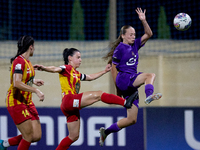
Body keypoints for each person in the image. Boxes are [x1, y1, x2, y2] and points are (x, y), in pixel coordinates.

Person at [33, 47, 137, 150]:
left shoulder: (76, 74)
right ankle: (125, 102)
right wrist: (44, 68)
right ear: (70, 58)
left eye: (80, 57)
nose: (80, 60)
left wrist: (104, 71)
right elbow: (55, 69)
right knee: (99, 94)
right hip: (69, 100)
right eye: (78, 57)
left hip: (70, 107)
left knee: (74, 136)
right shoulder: (66, 68)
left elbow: (90, 77)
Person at [99, 8, 162, 146]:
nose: (134, 37)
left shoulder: (135, 45)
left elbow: (149, 33)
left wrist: (143, 20)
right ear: (123, 36)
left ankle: (106, 132)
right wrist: (117, 91)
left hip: (131, 82)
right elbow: (113, 71)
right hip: (124, 79)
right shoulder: (119, 49)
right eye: (131, 35)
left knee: (132, 119)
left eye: (134, 34)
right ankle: (149, 95)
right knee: (150, 75)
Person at [0, 35, 45, 150]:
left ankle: (4, 143)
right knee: (28, 136)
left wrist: (33, 81)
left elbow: (24, 78)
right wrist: (36, 90)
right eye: (34, 47)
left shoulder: (28, 62)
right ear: (30, 47)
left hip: (27, 102)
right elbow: (16, 83)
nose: (34, 49)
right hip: (16, 101)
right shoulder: (19, 61)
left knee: (36, 135)